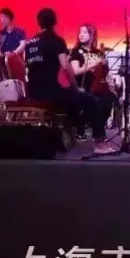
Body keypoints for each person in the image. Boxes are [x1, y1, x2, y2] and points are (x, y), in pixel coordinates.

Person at [25, 9, 114, 154]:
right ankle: (99, 144)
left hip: (33, 92)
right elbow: (66, 66)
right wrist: (76, 87)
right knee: (92, 101)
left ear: (38, 22)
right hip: (51, 92)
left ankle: (71, 135)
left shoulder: (30, 43)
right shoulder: (56, 40)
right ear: (55, 22)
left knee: (75, 99)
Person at [68, 24, 116, 139]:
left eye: (85, 32)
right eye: (80, 32)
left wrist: (104, 65)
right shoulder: (76, 51)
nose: (81, 35)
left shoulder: (98, 52)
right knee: (96, 102)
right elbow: (76, 71)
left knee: (109, 100)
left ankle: (96, 130)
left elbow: (104, 73)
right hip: (83, 87)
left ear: (92, 35)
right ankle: (98, 137)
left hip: (98, 86)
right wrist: (93, 64)